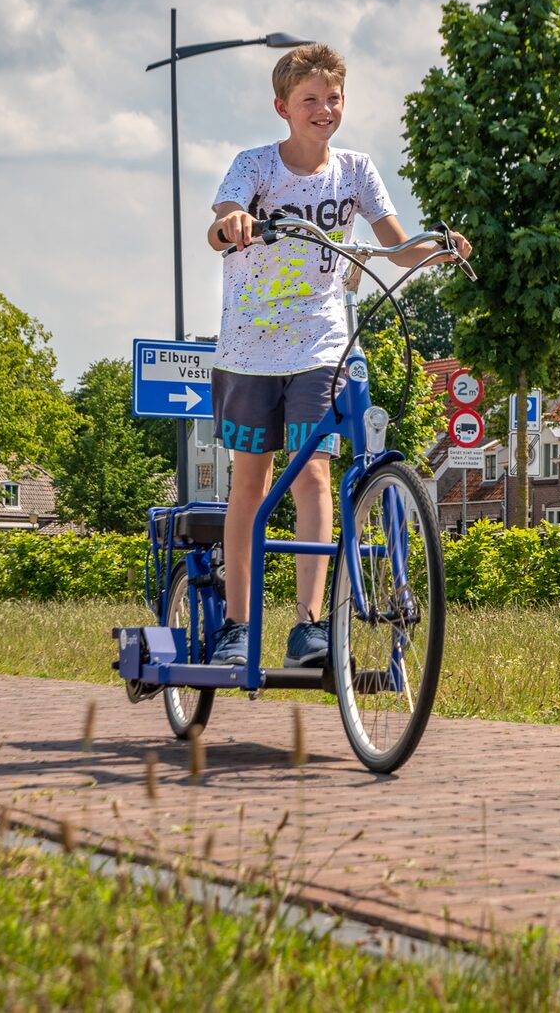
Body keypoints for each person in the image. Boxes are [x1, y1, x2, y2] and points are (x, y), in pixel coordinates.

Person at [206, 43, 470, 669]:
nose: (324, 109)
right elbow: (223, 217)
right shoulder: (255, 166)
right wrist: (235, 223)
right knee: (250, 483)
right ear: (283, 108)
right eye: (310, 100)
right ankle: (239, 626)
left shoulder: (355, 170)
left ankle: (309, 626)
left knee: (315, 475)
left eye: (333, 98)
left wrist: (437, 249)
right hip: (249, 349)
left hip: (322, 342)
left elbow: (395, 246)